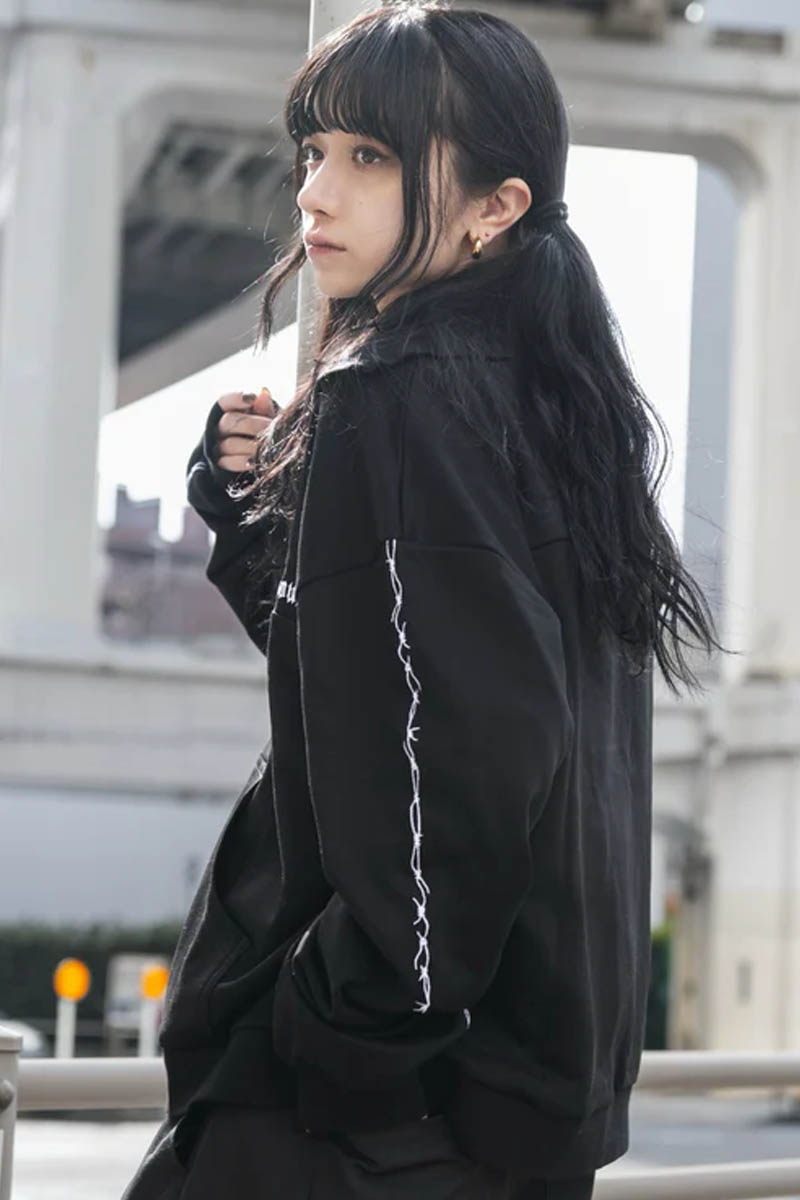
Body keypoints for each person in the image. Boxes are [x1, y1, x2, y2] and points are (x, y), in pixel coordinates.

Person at [122, 3, 730, 1197]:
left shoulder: (391, 397)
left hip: (383, 1114)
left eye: (370, 156)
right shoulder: (557, 409)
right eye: (313, 152)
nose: (313, 193)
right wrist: (254, 523)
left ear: (495, 206)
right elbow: (387, 691)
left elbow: (469, 767)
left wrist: (333, 1036)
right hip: (524, 1096)